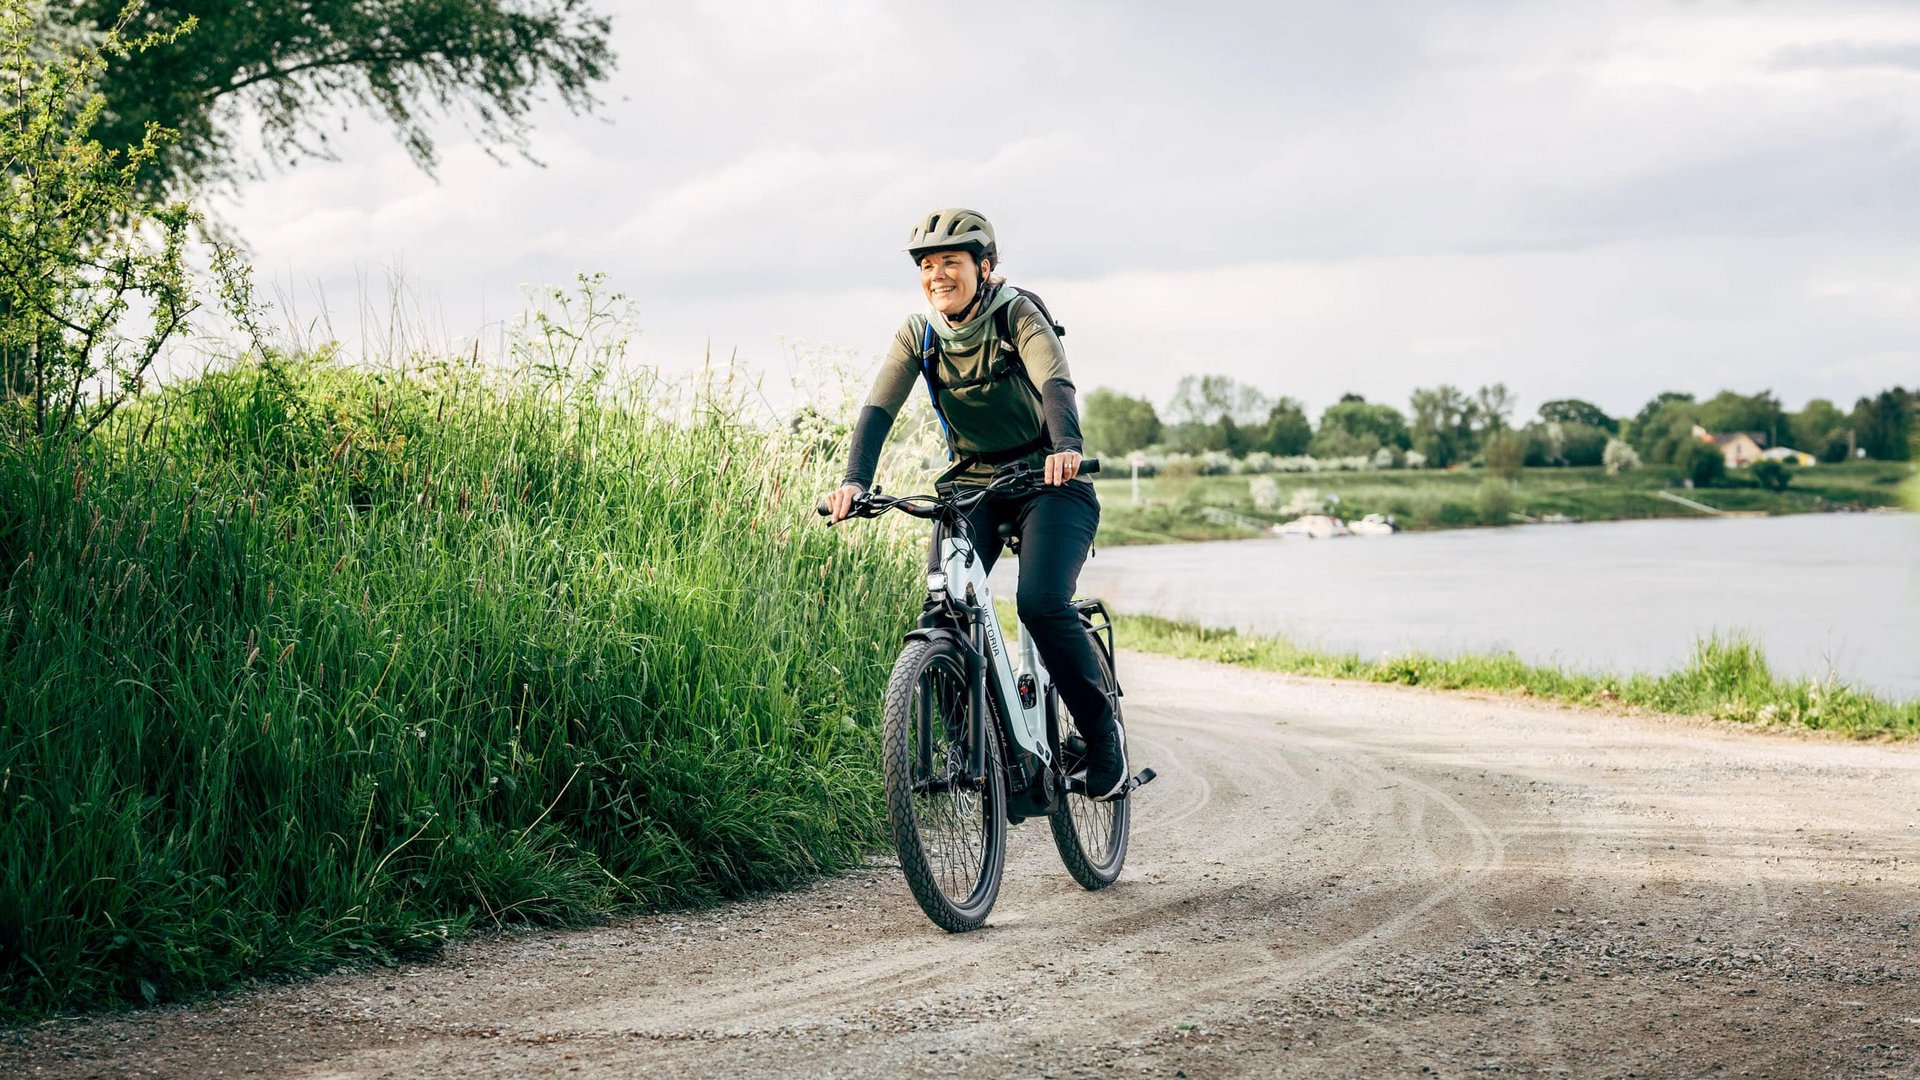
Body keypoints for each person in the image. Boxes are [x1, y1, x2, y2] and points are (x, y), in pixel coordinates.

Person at [821, 208, 1130, 800]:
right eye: (928, 265)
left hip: (1051, 483)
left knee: (1040, 603)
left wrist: (1067, 447)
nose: (938, 274)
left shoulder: (1017, 313)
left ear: (984, 267)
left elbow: (1055, 383)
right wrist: (853, 481)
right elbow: (877, 410)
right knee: (942, 612)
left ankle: (1102, 742)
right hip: (973, 487)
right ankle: (979, 752)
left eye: (951, 263)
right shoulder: (920, 333)